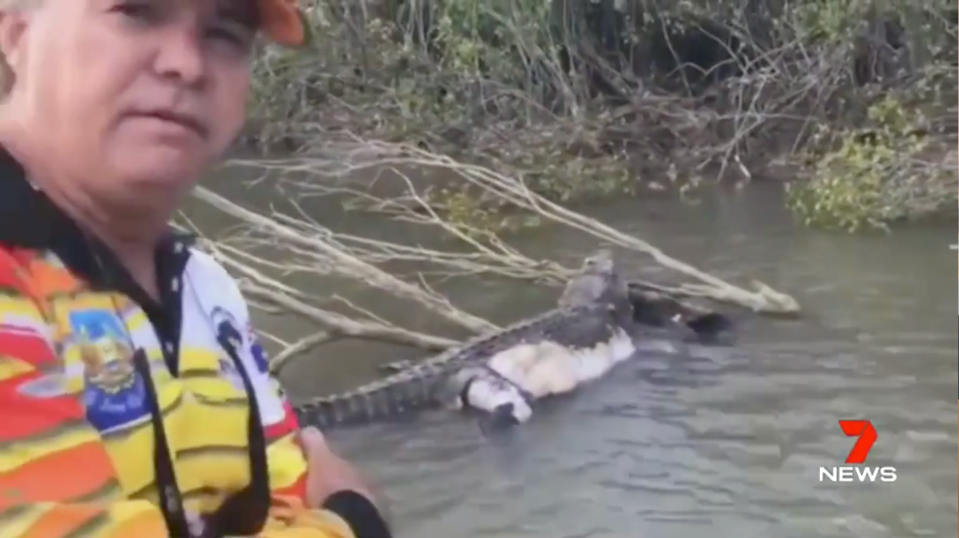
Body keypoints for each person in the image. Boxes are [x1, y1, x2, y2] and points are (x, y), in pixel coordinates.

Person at [0, 0, 392, 536]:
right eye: (137, 13)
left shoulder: (205, 290)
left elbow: (288, 491)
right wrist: (353, 519)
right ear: (15, 34)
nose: (187, 63)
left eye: (225, 33)